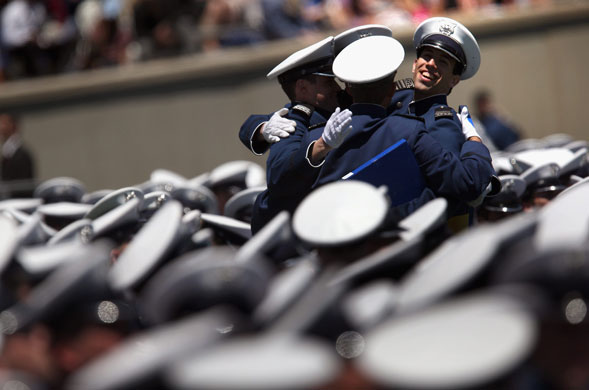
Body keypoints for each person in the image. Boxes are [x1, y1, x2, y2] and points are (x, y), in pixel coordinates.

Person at [309, 35, 496, 224]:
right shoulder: (396, 101)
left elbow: (456, 187)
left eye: (443, 62)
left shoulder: (442, 122)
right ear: (414, 64)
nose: (431, 64)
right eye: (427, 56)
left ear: (454, 80)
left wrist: (474, 141)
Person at [249, 35, 348, 233]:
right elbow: (280, 176)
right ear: (302, 88)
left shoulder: (338, 106)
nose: (337, 88)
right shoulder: (288, 125)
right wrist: (321, 146)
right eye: (329, 83)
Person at [0, 112, 36, 198]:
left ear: (13, 126)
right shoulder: (8, 152)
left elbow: (23, 186)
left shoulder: (21, 154)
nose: (1, 127)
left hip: (20, 203)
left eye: (3, 123)